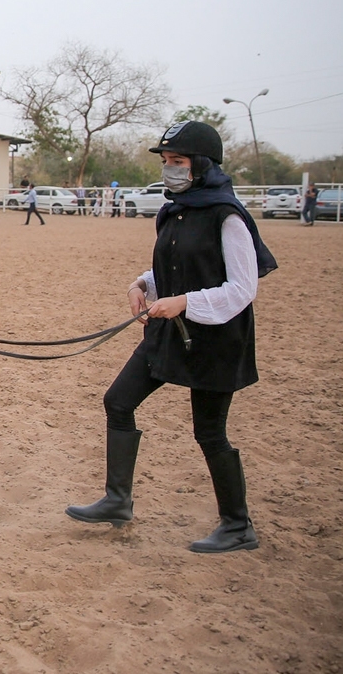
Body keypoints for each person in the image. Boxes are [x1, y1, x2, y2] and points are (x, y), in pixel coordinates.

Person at [65, 121, 278, 554]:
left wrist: (182, 302)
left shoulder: (228, 215)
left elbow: (242, 287)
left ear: (201, 165)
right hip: (169, 330)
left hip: (218, 337)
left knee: (210, 432)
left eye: (177, 162)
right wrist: (141, 285)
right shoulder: (174, 210)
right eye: (166, 162)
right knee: (118, 401)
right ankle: (117, 500)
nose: (170, 170)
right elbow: (174, 267)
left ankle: (238, 525)